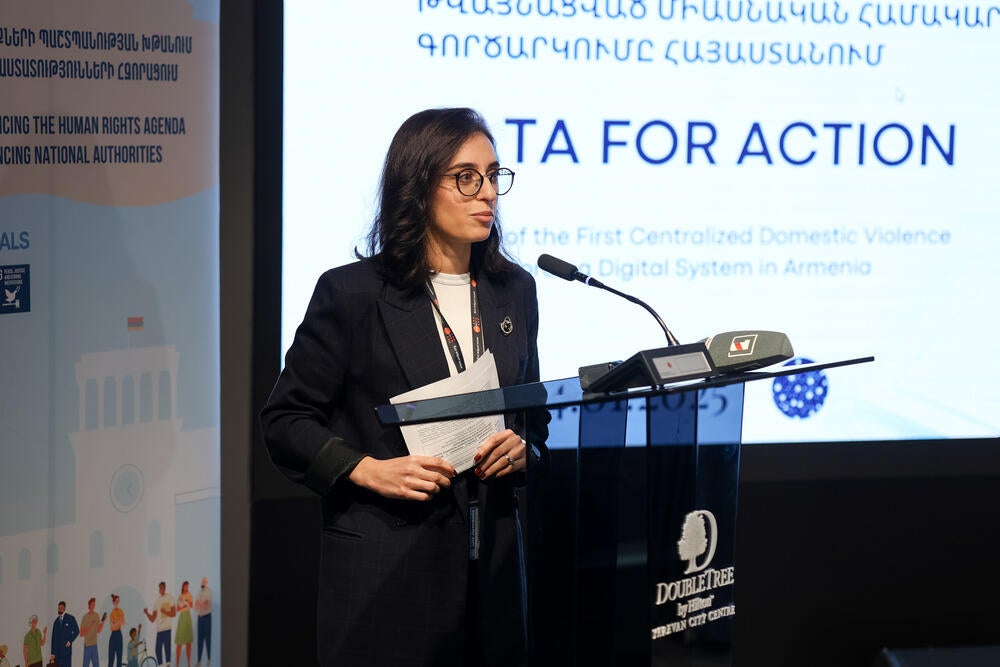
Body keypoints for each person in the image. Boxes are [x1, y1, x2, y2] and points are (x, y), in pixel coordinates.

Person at [261, 107, 543, 667]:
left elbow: (534, 419)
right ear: (417, 187)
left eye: (493, 176)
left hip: (492, 576)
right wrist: (369, 469)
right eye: (466, 177)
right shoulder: (353, 295)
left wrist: (523, 449)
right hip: (387, 576)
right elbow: (285, 421)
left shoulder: (514, 291)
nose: (486, 192)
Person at [143, 582, 174, 666]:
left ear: (165, 588)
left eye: (162, 587)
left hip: (167, 628)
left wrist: (165, 612)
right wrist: (146, 613)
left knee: (167, 649)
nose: (161, 589)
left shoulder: (169, 598)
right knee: (157, 650)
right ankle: (160, 665)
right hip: (159, 630)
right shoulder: (157, 602)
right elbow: (153, 619)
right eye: (160, 588)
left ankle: (168, 664)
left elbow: (173, 613)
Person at [51, 601, 79, 667]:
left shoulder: (70, 618)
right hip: (57, 653)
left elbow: (76, 630)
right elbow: (53, 638)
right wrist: (52, 653)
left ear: (64, 608)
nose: (60, 609)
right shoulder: (56, 622)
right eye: (59, 608)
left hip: (66, 651)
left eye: (61, 608)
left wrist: (70, 641)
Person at [80, 597, 106, 667]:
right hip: (88, 644)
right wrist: (90, 626)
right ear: (89, 605)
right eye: (92, 604)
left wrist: (103, 621)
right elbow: (82, 633)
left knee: (96, 664)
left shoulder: (96, 615)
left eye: (94, 604)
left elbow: (98, 630)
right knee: (85, 665)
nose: (94, 605)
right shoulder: (85, 617)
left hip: (94, 644)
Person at [173, 581, 194, 667]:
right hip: (182, 618)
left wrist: (185, 603)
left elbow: (191, 605)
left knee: (188, 642)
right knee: (179, 642)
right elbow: (178, 609)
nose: (187, 587)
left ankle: (189, 664)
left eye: (187, 586)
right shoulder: (180, 596)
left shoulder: (189, 595)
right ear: (183, 587)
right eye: (185, 586)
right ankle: (177, 664)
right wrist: (184, 604)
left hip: (187, 617)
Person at [193, 577, 211, 667]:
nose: (202, 583)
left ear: (206, 582)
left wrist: (201, 604)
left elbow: (207, 605)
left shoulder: (208, 592)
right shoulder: (198, 593)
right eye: (202, 582)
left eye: (204, 581)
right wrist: (201, 604)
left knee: (208, 639)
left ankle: (209, 660)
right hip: (200, 617)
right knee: (199, 640)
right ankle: (199, 661)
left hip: (207, 617)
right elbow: (196, 607)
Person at [107, 594, 126, 667]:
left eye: (118, 601)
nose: (117, 602)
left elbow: (123, 622)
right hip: (113, 635)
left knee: (119, 657)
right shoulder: (111, 613)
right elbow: (112, 626)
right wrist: (118, 621)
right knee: (111, 658)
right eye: (116, 601)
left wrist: (116, 622)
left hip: (119, 634)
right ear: (113, 601)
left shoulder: (121, 610)